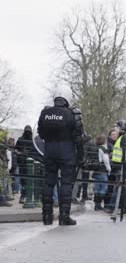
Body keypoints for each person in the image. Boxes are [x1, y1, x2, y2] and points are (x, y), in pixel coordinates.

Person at [38, 96, 84, 225]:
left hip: (49, 150)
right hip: (66, 151)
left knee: (48, 182)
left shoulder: (45, 112)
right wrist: (81, 156)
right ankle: (64, 216)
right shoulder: (73, 113)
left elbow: (40, 134)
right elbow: (78, 138)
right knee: (66, 183)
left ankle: (46, 216)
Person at [107, 120, 126, 214]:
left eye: (116, 126)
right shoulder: (123, 136)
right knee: (121, 186)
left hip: (122, 165)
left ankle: (111, 207)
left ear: (121, 127)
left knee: (118, 186)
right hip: (120, 164)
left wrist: (123, 165)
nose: (115, 128)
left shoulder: (125, 137)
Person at [15, 125, 34, 204]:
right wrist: (20, 153)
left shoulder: (32, 140)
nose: (27, 132)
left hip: (29, 162)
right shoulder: (20, 139)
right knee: (23, 180)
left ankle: (26, 196)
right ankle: (23, 196)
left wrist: (29, 154)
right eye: (27, 130)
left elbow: (34, 151)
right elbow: (15, 149)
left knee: (28, 180)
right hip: (22, 162)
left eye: (28, 131)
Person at [93, 135, 111, 211]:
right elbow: (106, 160)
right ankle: (99, 204)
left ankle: (96, 205)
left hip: (95, 170)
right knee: (104, 188)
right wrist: (109, 169)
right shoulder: (103, 149)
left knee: (97, 188)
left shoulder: (95, 148)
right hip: (102, 170)